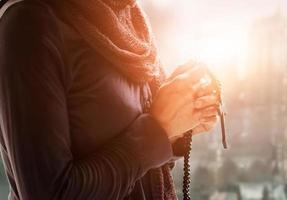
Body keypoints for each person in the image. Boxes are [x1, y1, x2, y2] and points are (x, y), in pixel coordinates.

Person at [0, 0, 220, 199]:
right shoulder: (30, 26)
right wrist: (158, 129)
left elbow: (140, 173)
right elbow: (50, 194)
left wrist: (177, 124)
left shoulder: (130, 19)